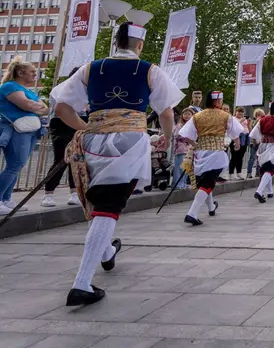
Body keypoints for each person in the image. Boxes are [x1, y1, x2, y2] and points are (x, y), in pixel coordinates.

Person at [52, 22, 182, 305]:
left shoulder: (90, 68)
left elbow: (61, 108)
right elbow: (166, 111)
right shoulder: (149, 70)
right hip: (129, 141)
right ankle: (82, 283)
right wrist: (167, 137)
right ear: (139, 45)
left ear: (115, 43)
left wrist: (87, 127)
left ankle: (107, 252)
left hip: (93, 141)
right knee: (109, 206)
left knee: (102, 200)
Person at [178, 91, 244, 225]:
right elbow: (235, 131)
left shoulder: (198, 116)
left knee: (207, 180)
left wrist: (195, 144)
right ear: (218, 101)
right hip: (216, 153)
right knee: (208, 183)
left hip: (201, 153)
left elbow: (186, 135)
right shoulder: (224, 115)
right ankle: (192, 213)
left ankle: (211, 207)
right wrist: (237, 144)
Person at [0, 57, 49, 215]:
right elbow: (27, 105)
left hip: (29, 130)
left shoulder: (28, 91)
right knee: (15, 165)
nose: (35, 74)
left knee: (17, 166)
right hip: (16, 130)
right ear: (21, 73)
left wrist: (34, 106)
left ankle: (6, 199)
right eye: (32, 72)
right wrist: (34, 106)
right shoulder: (10, 86)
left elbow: (45, 109)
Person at [42, 67, 85, 208]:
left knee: (78, 158)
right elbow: (59, 109)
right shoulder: (61, 89)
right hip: (61, 123)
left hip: (82, 122)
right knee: (61, 158)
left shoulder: (87, 90)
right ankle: (48, 193)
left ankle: (74, 192)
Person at [171, 108, 196, 190]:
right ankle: (178, 184)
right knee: (179, 168)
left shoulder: (192, 126)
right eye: (185, 114)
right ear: (182, 115)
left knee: (186, 168)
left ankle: (183, 183)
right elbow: (177, 135)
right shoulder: (179, 125)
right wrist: (187, 139)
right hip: (180, 149)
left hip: (189, 149)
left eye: (189, 114)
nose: (187, 116)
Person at [227, 107, 250, 180]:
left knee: (240, 157)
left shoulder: (245, 120)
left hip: (244, 138)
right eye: (238, 111)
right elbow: (233, 128)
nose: (240, 113)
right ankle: (231, 173)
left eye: (242, 112)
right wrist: (240, 121)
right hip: (235, 138)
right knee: (234, 156)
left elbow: (249, 129)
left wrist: (249, 123)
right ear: (235, 112)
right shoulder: (233, 119)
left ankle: (239, 172)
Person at [246, 108, 264, 179]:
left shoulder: (263, 121)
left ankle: (258, 172)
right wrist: (249, 125)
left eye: (260, 114)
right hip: (253, 142)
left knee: (259, 158)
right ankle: (249, 173)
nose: (259, 116)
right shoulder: (253, 122)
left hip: (260, 141)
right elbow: (251, 131)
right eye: (257, 114)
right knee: (252, 158)